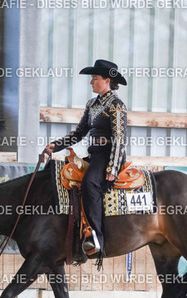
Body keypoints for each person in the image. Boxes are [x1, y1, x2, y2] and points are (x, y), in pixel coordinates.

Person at [44, 59, 127, 256]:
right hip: (94, 154)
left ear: (107, 81)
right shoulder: (92, 104)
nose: (91, 82)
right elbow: (80, 133)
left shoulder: (116, 105)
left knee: (90, 183)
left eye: (95, 78)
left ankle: (96, 237)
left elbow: (119, 138)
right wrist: (57, 145)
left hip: (108, 155)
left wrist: (113, 168)